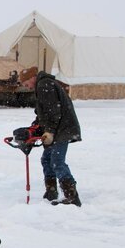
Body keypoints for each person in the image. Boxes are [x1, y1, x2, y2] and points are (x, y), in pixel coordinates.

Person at [21, 70, 82, 206]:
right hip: (57, 128)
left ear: (32, 78)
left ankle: (72, 196)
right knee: (47, 159)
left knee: (57, 161)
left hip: (62, 129)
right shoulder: (42, 85)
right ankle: (51, 192)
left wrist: (49, 131)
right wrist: (34, 128)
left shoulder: (44, 85)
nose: (27, 87)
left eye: (26, 84)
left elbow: (53, 111)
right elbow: (43, 114)